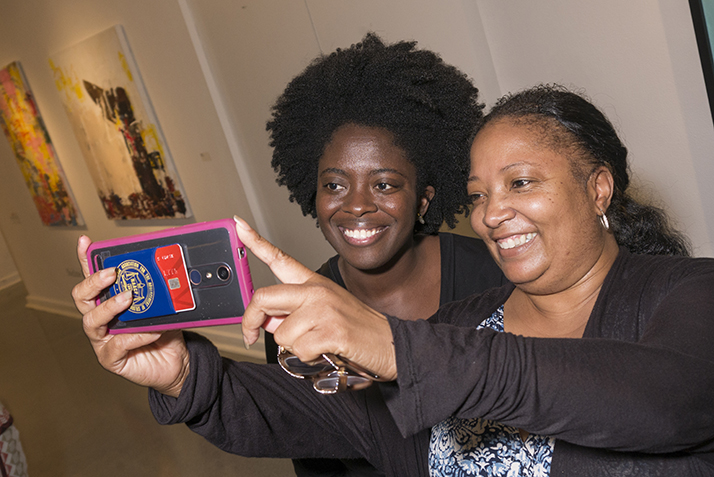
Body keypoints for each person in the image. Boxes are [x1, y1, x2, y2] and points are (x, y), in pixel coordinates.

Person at [73, 84, 714, 476]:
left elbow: (668, 403)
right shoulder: (461, 327)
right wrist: (185, 373)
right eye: (479, 193)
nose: (492, 212)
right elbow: (319, 418)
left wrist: (397, 349)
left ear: (598, 187)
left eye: (520, 183)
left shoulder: (688, 293)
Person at [263, 33, 505, 475]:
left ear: (424, 201)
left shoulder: (496, 276)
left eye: (385, 184)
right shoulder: (293, 316)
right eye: (334, 185)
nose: (356, 205)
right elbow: (316, 457)